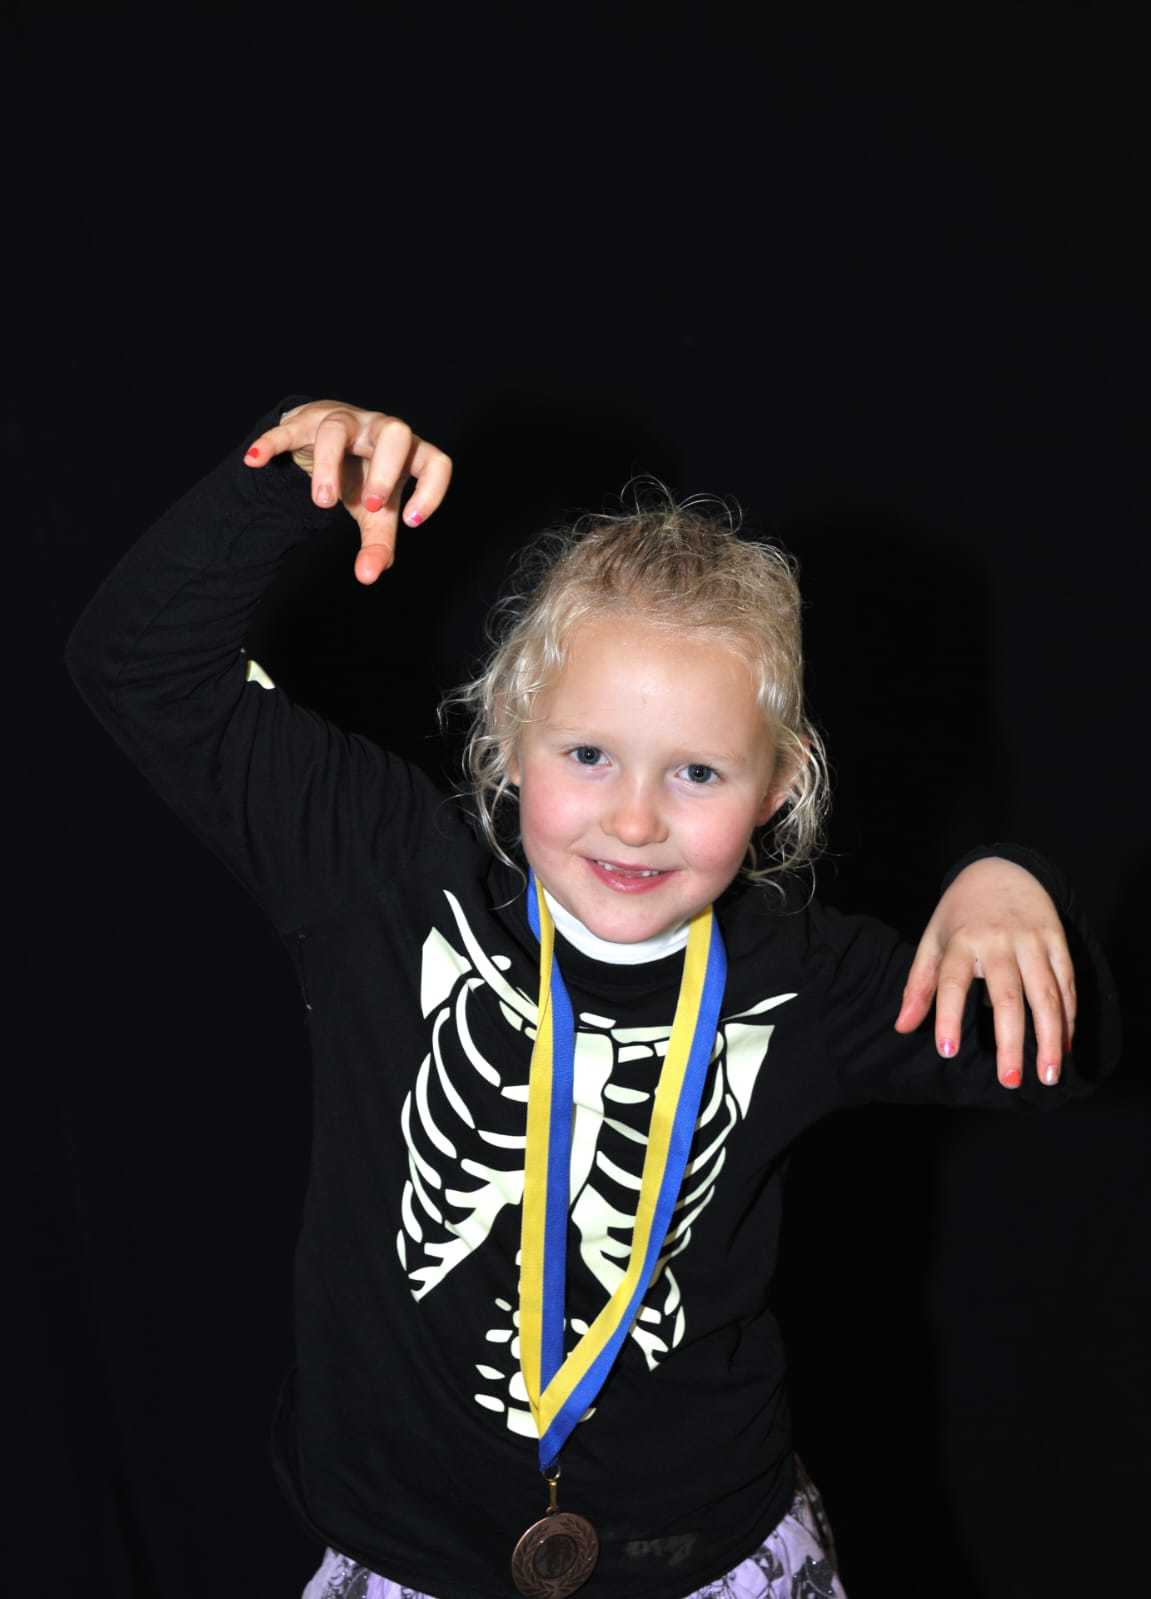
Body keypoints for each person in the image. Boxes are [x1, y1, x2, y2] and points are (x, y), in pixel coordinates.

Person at [64, 396, 1120, 1599]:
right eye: (586, 755)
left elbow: (1049, 1059)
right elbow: (133, 666)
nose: (633, 819)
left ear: (778, 787)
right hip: (403, 1551)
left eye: (697, 772)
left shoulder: (803, 973)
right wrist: (283, 482)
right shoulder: (379, 873)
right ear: (507, 737)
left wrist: (1009, 885)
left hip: (708, 1555)